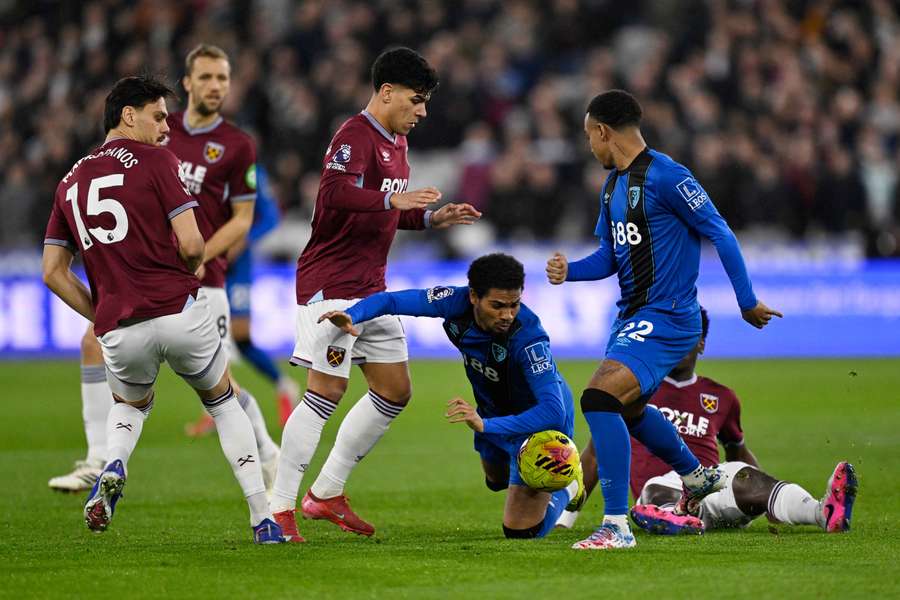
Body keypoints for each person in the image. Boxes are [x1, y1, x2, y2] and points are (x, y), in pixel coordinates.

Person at [41, 75, 283, 543]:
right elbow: (193, 243)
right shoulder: (156, 160)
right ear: (127, 115)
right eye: (157, 117)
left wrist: (102, 313)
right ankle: (262, 518)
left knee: (130, 405)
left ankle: (113, 465)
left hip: (119, 328)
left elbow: (53, 271)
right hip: (176, 310)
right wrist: (191, 268)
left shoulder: (69, 181)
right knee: (223, 401)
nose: (165, 128)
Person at [545, 89, 782, 550]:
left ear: (602, 131)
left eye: (588, 137)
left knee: (598, 398)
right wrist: (570, 271)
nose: (589, 146)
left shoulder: (669, 175)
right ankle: (696, 476)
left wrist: (746, 299)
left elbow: (720, 230)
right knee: (629, 410)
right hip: (632, 317)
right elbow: (610, 257)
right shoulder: (612, 186)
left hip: (670, 316)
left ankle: (615, 525)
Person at [269, 47, 481, 541]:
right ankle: (279, 511)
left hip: (372, 289)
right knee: (327, 392)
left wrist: (429, 217)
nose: (422, 111)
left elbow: (386, 210)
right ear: (386, 93)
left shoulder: (398, 144)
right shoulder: (354, 134)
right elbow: (334, 194)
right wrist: (392, 198)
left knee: (394, 390)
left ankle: (326, 494)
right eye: (416, 100)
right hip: (331, 285)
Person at [316, 253, 583, 540]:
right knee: (495, 480)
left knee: (520, 532)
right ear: (473, 297)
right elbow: (391, 301)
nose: (507, 315)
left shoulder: (529, 338)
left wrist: (486, 426)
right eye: (497, 306)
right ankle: (539, 482)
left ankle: (568, 485)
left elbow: (553, 410)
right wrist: (353, 316)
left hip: (535, 424)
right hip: (490, 412)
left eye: (514, 305)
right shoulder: (452, 301)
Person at [558, 307, 857, 535]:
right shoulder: (634, 390)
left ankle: (822, 512)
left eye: (684, 338)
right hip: (663, 487)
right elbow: (597, 454)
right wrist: (565, 520)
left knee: (743, 475)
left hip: (711, 483)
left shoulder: (722, 397)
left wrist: (767, 499)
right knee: (654, 490)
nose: (676, 345)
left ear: (700, 343)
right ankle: (673, 515)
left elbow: (738, 452)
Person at [163, 44, 280, 489]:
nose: (216, 86)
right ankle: (101, 458)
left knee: (218, 386)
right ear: (187, 82)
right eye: (207, 77)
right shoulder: (162, 132)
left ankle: (268, 462)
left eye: (223, 79)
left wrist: (200, 256)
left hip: (207, 279)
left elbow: (246, 221)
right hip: (157, 277)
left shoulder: (237, 145)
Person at [224, 164, 300, 427]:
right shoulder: (196, 161)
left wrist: (243, 239)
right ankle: (218, 408)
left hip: (237, 266)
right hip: (207, 259)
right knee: (209, 338)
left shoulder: (251, 170)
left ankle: (282, 384)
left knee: (240, 336)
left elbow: (270, 216)